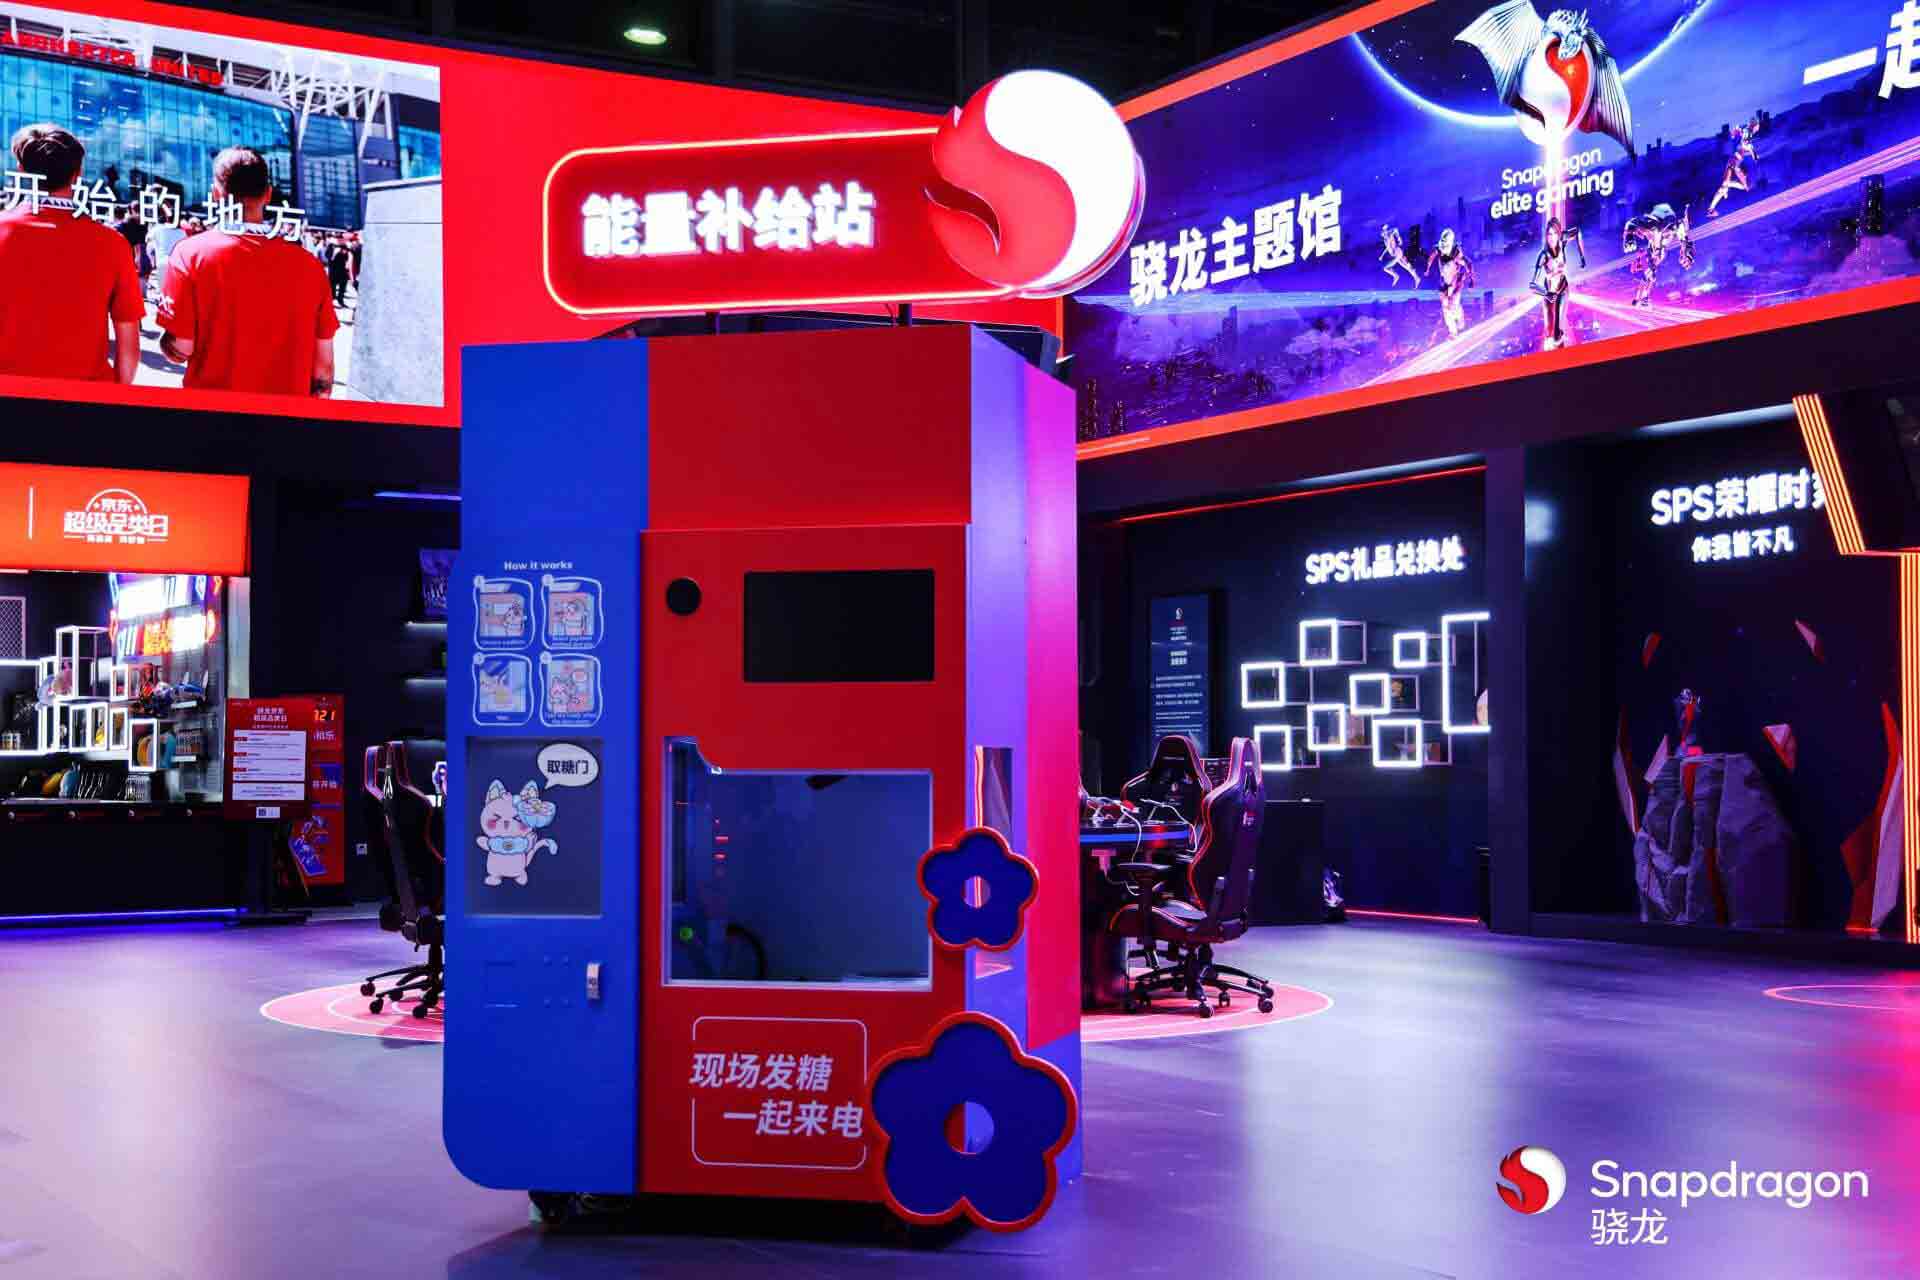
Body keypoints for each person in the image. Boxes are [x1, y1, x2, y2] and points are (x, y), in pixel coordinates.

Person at [158, 147, 339, 397]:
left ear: (216, 195)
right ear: (268, 194)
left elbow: (181, 348)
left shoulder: (190, 253)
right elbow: (323, 369)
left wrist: (165, 336)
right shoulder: (310, 266)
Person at [0, 124, 142, 383]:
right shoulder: (113, 244)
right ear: (78, 174)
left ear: (21, 170)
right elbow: (129, 347)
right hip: (85, 396)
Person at [1529, 217, 1586, 350]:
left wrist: (1582, 256)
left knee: (1557, 333)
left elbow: (1577, 231)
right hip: (1549, 294)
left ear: (1559, 234)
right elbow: (1532, 285)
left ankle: (1561, 349)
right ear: (1546, 236)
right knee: (1549, 333)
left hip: (1563, 289)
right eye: (1549, 234)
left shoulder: (1562, 241)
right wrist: (1546, 293)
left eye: (1555, 233)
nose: (1552, 237)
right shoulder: (1543, 256)